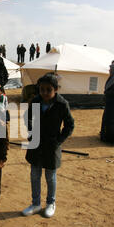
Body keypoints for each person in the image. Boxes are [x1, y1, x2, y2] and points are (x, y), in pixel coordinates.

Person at [22, 73, 75, 218]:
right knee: (34, 174)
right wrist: (32, 131)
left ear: (56, 89)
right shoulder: (35, 101)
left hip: (52, 145)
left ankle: (51, 203)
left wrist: (58, 140)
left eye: (48, 90)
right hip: (36, 143)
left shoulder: (62, 104)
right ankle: (35, 204)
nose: (44, 93)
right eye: (42, 89)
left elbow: (70, 125)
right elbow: (27, 117)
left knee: (50, 176)